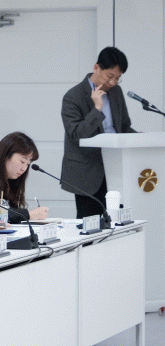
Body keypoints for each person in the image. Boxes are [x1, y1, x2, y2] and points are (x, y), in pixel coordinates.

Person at [61, 46, 137, 218]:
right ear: (96, 68)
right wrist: (97, 109)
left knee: (118, 221)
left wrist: (144, 139)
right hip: (88, 171)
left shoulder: (116, 92)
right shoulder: (73, 96)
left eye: (118, 78)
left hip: (116, 167)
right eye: (110, 76)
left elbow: (124, 127)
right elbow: (77, 135)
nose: (113, 83)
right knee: (90, 224)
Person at [0, 132, 49, 224]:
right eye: (22, 161)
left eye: (28, 164)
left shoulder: (9, 181)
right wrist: (29, 214)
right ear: (6, 155)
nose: (24, 168)